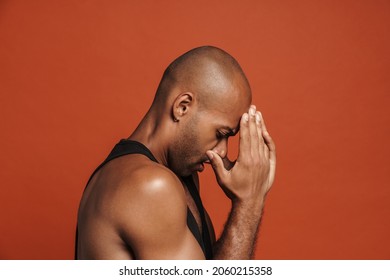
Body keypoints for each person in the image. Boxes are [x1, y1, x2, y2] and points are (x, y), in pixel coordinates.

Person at [75, 46, 276, 260]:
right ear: (182, 107)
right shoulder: (148, 187)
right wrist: (249, 203)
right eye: (220, 133)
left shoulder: (178, 177)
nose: (223, 150)